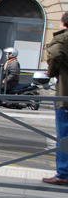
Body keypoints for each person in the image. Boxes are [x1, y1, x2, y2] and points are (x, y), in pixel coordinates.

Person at [42, 12, 68, 186]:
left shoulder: (63, 38)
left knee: (64, 135)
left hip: (65, 95)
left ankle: (63, 173)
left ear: (63, 23)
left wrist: (51, 73)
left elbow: (55, 54)